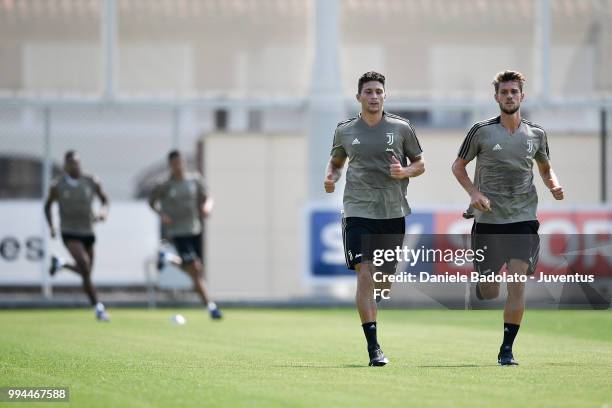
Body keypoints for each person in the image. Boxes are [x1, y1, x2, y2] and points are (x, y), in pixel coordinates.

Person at [452, 70, 564, 365]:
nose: (510, 96)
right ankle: (483, 280)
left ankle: (506, 350)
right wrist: (474, 194)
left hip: (523, 218)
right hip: (489, 222)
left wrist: (553, 183)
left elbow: (544, 167)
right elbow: (458, 167)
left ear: (522, 96)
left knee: (517, 282)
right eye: (505, 92)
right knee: (489, 291)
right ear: (497, 97)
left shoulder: (536, 134)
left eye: (514, 92)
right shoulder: (481, 132)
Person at [324, 71, 425, 366]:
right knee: (364, 273)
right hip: (358, 210)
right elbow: (336, 161)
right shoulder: (345, 130)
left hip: (392, 211)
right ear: (359, 97)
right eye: (368, 91)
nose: (374, 96)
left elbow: (420, 163)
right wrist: (330, 177)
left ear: (385, 95)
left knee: (383, 282)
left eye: (378, 91)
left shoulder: (402, 128)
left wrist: (404, 172)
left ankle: (375, 299)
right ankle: (374, 349)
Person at [149, 150, 222, 320]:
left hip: (195, 230)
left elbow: (208, 196)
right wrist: (162, 214)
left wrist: (207, 207)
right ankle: (211, 307)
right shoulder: (165, 185)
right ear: (171, 165)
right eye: (174, 164)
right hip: (177, 231)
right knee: (194, 268)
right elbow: (151, 202)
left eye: (180, 162)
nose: (178, 166)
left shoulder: (194, 180)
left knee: (196, 271)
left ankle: (167, 258)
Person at [44, 150, 110, 321]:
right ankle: (99, 308)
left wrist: (103, 212)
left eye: (77, 163)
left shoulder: (91, 181)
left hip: (88, 231)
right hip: (69, 231)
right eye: (71, 163)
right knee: (84, 266)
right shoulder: (57, 186)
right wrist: (52, 226)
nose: (75, 166)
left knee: (86, 273)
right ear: (66, 165)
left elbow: (105, 200)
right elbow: (47, 206)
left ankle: (62, 264)